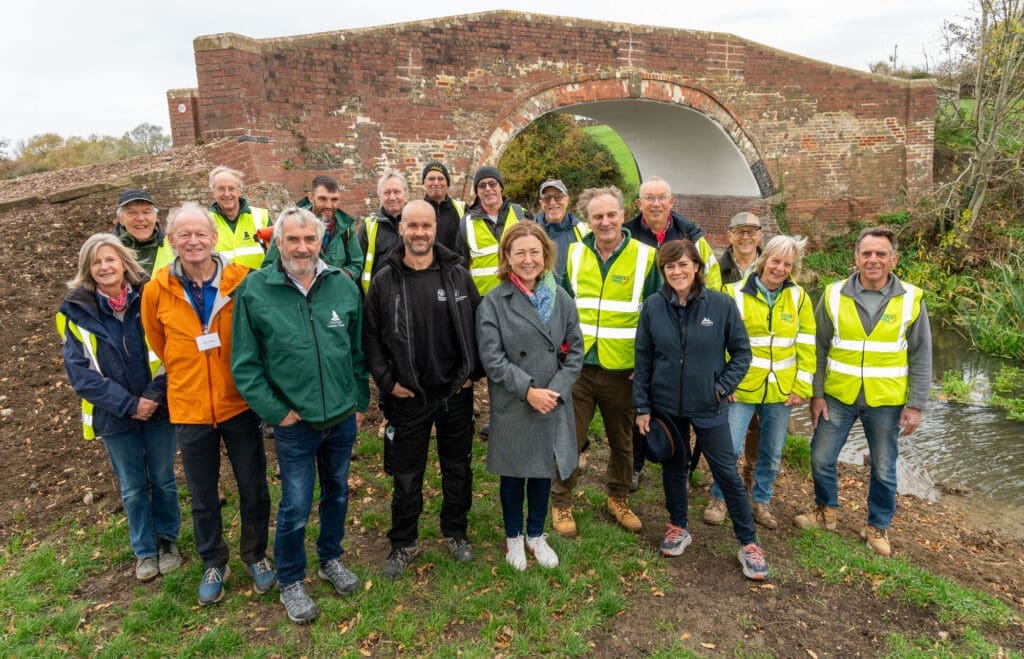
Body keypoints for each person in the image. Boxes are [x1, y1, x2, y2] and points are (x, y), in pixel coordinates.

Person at [232, 207, 369, 624]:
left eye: (310, 240)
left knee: (338, 493)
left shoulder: (342, 285)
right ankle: (291, 579)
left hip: (341, 417)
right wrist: (279, 414)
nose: (302, 247)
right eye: (293, 239)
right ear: (278, 243)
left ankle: (331, 558)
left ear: (321, 242)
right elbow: (245, 365)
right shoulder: (256, 290)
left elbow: (358, 351)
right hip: (295, 423)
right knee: (294, 504)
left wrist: (359, 401)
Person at [142, 202, 274, 605]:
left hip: (238, 403)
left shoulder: (243, 282)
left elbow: (258, 338)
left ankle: (255, 555)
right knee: (203, 494)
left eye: (201, 234)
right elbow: (158, 342)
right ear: (172, 241)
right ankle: (213, 560)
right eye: (185, 235)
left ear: (214, 238)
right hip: (189, 407)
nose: (194, 241)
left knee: (253, 486)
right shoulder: (156, 289)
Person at [633, 239, 768, 580]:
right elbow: (644, 359)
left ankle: (748, 542)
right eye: (669, 266)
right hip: (666, 405)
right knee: (673, 468)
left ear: (696, 267)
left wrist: (721, 387)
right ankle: (678, 526)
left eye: (683, 265)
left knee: (725, 472)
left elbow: (742, 354)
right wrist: (643, 407)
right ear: (663, 271)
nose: (677, 271)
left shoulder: (721, 305)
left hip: (709, 404)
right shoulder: (652, 306)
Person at [794, 226, 932, 557]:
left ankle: (877, 527)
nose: (873, 260)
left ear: (893, 259)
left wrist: (916, 404)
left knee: (884, 467)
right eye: (866, 253)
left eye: (880, 254)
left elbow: (922, 354)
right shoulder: (832, 294)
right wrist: (816, 394)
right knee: (821, 457)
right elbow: (818, 347)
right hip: (838, 396)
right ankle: (825, 511)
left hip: (886, 400)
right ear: (856, 258)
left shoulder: (911, 299)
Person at [363, 200, 482, 578]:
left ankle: (456, 532)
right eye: (411, 225)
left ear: (435, 229)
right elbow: (371, 338)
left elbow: (480, 326)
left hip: (455, 392)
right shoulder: (385, 279)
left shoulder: (457, 273)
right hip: (409, 395)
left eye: (426, 226)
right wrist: (387, 382)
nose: (419, 232)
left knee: (457, 466)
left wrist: (471, 374)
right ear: (401, 229)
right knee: (406, 472)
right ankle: (403, 542)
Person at [57, 234, 181, 582]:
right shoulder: (75, 312)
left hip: (158, 406)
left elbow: (172, 349)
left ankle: (168, 540)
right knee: (132, 486)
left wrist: (153, 395)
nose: (104, 267)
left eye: (110, 259)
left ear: (124, 262)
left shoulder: (151, 298)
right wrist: (128, 405)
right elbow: (81, 374)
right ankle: (144, 549)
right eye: (96, 262)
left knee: (163, 479)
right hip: (114, 415)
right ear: (88, 270)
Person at [550, 186, 661, 538]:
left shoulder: (646, 256)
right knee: (570, 438)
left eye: (611, 214)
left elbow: (656, 316)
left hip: (623, 370)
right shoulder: (573, 255)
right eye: (597, 216)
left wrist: (647, 365)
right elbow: (560, 307)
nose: (605, 221)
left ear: (623, 214)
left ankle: (618, 498)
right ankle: (561, 501)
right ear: (588, 220)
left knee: (622, 441)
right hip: (579, 368)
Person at [477, 222, 584, 570]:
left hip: (551, 400)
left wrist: (552, 391)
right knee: (513, 474)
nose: (528, 259)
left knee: (541, 472)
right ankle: (513, 538)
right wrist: (528, 390)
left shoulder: (562, 299)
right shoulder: (494, 302)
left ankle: (536, 535)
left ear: (545, 255)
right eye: (519, 252)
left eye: (534, 252)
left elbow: (576, 352)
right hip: (514, 400)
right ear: (507, 257)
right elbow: (492, 359)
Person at [623, 176, 722, 492]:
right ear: (639, 204)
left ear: (671, 202)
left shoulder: (693, 236)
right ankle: (636, 464)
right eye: (648, 198)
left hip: (685, 336)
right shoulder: (628, 236)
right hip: (643, 335)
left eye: (661, 198)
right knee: (640, 406)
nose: (655, 204)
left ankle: (684, 466)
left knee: (683, 407)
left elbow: (713, 283)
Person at [714, 235, 815, 530]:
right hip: (741, 386)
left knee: (771, 452)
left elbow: (807, 345)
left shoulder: (799, 298)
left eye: (787, 263)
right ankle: (720, 498)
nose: (780, 268)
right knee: (728, 448)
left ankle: (761, 500)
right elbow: (718, 342)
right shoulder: (733, 293)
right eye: (775, 261)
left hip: (781, 390)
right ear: (763, 260)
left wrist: (801, 387)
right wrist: (725, 381)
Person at [714, 211, 766, 505]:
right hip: (730, 365)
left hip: (765, 367)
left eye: (752, 231)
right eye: (739, 231)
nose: (746, 237)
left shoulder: (773, 268)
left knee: (759, 429)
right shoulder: (718, 271)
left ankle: (750, 478)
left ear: (760, 235)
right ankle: (722, 491)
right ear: (729, 235)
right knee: (728, 431)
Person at [263, 175, 363, 281]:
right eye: (323, 199)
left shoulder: (346, 228)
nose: (329, 205)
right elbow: (269, 267)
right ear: (311, 197)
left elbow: (356, 264)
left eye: (334, 200)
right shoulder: (288, 223)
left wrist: (340, 278)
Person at [458, 165, 527, 296]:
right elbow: (461, 266)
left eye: (492, 183)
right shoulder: (466, 223)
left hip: (520, 295)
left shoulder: (521, 215)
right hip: (484, 300)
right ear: (477, 192)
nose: (488, 189)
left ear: (500, 187)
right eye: (482, 185)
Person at [359, 170, 408, 293]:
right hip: (380, 297)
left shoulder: (418, 222)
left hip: (413, 295)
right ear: (380, 197)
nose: (392, 197)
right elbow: (359, 266)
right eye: (387, 193)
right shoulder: (369, 226)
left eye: (397, 192)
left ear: (406, 194)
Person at [533, 178, 587, 282]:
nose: (552, 202)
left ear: (567, 200)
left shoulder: (584, 231)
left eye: (558, 196)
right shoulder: (530, 232)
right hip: (540, 297)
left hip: (573, 297)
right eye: (547, 198)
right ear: (541, 203)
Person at [112, 189, 172, 273]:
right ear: (120, 218)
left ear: (155, 216)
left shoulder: (174, 246)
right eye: (132, 213)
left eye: (146, 212)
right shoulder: (106, 250)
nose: (140, 218)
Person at [421, 161, 464, 252]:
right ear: (424, 184)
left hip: (457, 265)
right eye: (431, 179)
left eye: (440, 178)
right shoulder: (415, 210)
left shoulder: (463, 209)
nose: (436, 183)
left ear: (447, 183)